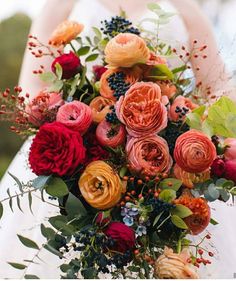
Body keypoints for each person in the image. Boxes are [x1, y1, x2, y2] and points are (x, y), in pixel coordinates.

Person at [0, 0, 235, 278]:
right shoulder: (62, 3)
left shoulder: (184, 5)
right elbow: (32, 90)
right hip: (77, 162)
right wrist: (80, 126)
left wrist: (185, 129)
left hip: (170, 168)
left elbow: (218, 88)